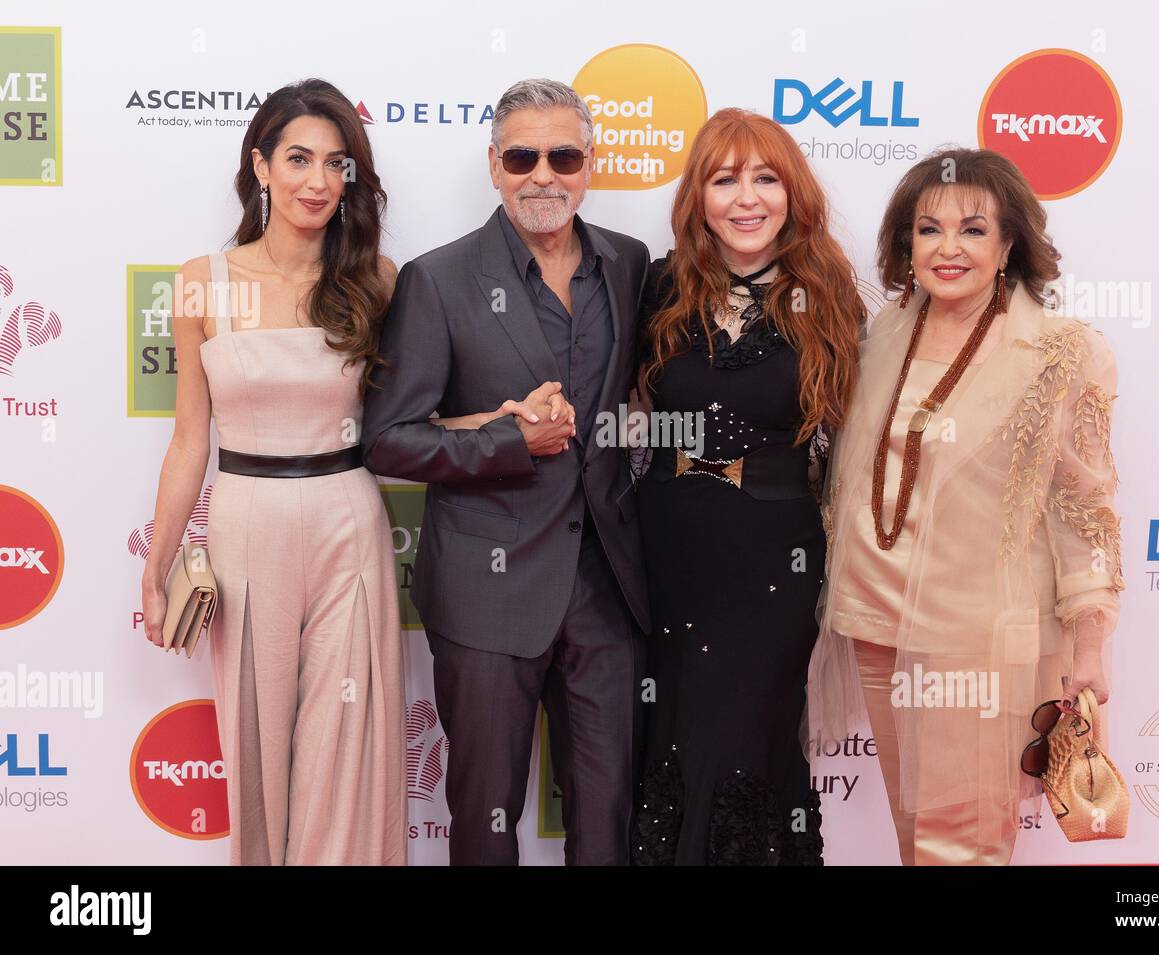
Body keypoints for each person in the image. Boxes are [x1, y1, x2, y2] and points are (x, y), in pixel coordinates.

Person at [361, 78, 652, 866]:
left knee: (609, 821)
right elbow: (388, 440)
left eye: (564, 155)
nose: (543, 175)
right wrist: (507, 440)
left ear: (591, 162)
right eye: (522, 156)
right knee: (486, 822)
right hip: (488, 594)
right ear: (493, 164)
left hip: (608, 593)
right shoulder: (439, 279)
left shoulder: (628, 264)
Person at [809, 147, 1122, 865]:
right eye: (928, 229)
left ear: (1009, 243)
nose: (948, 248)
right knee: (912, 826)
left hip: (976, 636)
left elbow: (1086, 507)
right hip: (875, 621)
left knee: (964, 843)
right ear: (905, 243)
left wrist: (1091, 640)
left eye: (973, 229)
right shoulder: (883, 332)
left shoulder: (1060, 351)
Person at [140, 78, 406, 865]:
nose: (318, 181)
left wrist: (506, 421)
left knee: (346, 750)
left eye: (335, 163)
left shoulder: (378, 280)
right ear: (260, 166)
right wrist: (156, 568)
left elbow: (410, 419)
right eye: (297, 158)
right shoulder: (202, 282)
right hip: (245, 519)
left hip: (348, 520)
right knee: (252, 745)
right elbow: (191, 439)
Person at [631, 108, 865, 865]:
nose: (746, 198)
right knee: (675, 736)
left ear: (792, 192)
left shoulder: (829, 296)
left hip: (776, 559)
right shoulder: (659, 288)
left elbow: (864, 440)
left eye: (765, 177)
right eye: (724, 178)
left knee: (750, 741)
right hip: (666, 551)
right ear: (698, 195)